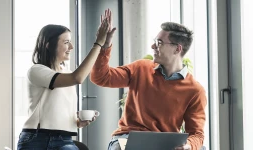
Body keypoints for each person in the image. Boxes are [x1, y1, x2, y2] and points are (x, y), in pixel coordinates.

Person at [90, 22, 207, 150]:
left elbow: (196, 134)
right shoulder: (141, 68)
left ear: (177, 49)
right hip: (127, 138)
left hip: (165, 143)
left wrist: (189, 145)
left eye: (159, 43)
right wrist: (105, 46)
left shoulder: (195, 91)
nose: (153, 46)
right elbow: (101, 78)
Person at [17, 9, 112, 150]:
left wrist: (77, 122)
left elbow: (56, 110)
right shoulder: (37, 71)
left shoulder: (66, 73)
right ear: (48, 45)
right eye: (66, 42)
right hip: (38, 138)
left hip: (64, 139)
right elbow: (78, 77)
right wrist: (98, 43)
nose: (71, 47)